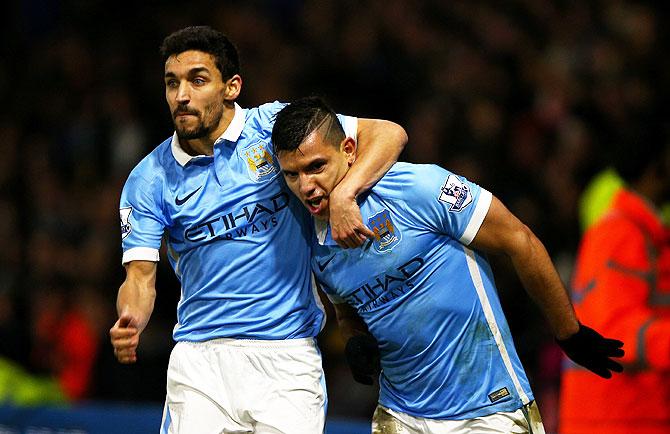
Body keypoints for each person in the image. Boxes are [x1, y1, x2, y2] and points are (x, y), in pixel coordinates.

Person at [108, 26, 407, 433]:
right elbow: (140, 278)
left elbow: (388, 133)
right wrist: (131, 318)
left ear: (231, 86)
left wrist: (344, 195)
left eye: (197, 80)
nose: (181, 96)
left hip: (286, 359)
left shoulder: (274, 127)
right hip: (200, 365)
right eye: (172, 83)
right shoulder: (148, 178)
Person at [271, 96, 624, 434]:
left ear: (348, 150)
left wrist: (569, 332)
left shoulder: (418, 188)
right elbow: (349, 309)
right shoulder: (314, 244)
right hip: (401, 415)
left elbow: (520, 242)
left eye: (316, 167)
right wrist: (354, 340)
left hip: (489, 406)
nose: (306, 186)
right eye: (292, 175)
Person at [559, 121, 670, 434]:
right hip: (614, 419)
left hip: (629, 415)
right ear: (654, 165)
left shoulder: (647, 236)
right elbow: (615, 329)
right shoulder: (620, 234)